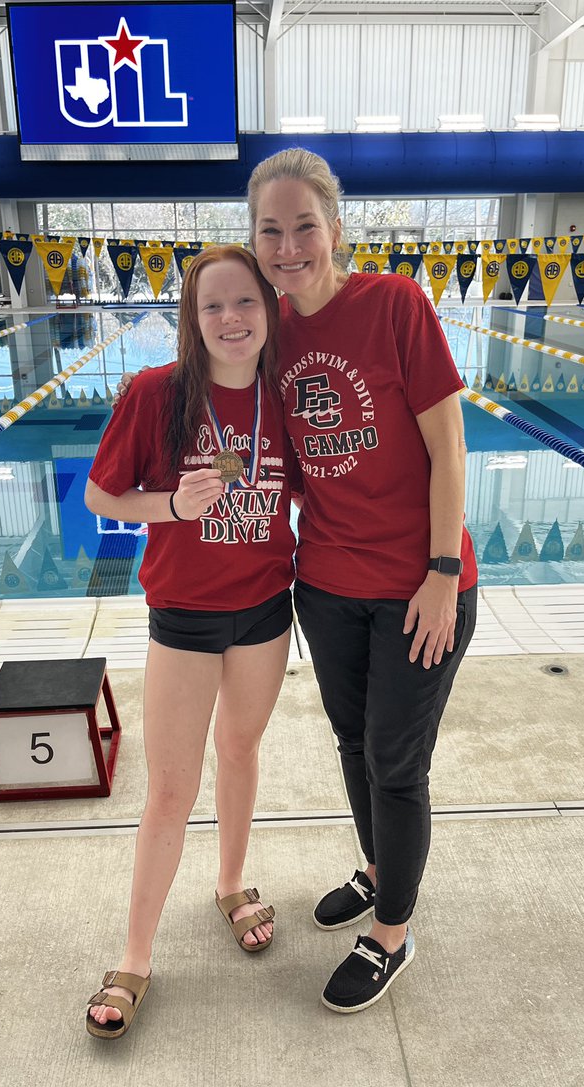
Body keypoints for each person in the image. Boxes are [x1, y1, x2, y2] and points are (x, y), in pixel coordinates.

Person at [246, 148, 478, 1014]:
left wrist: (442, 572)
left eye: (304, 226)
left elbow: (448, 447)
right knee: (353, 744)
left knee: (394, 759)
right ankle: (381, 869)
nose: (289, 247)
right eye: (271, 230)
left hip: (421, 584)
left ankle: (392, 933)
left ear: (335, 230)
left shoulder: (394, 305)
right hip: (328, 584)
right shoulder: (269, 333)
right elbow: (261, 450)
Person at [84, 244, 297, 1039]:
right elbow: (102, 494)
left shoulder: (285, 395)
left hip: (267, 607)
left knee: (240, 749)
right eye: (213, 305)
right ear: (192, 317)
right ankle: (134, 958)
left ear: (269, 310)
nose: (231, 318)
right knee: (171, 790)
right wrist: (172, 506)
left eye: (246, 302)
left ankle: (231, 883)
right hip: (183, 614)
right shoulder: (158, 393)